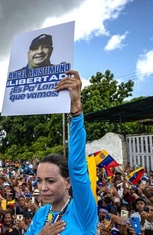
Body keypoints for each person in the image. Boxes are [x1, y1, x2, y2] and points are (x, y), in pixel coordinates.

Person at [25, 70, 98, 234]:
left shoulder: (82, 212)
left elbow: (77, 166)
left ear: (68, 182)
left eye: (50, 181)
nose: (42, 188)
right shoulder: (41, 213)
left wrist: (76, 111)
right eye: (39, 180)